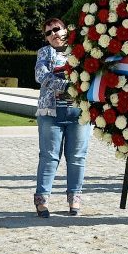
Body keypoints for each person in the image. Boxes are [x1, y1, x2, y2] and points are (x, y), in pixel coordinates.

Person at [33, 17, 90, 217]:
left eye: (56, 29)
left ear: (66, 29)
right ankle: (42, 200)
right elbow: (41, 75)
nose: (53, 34)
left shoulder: (81, 50)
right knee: (49, 156)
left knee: (77, 158)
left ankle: (74, 199)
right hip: (50, 113)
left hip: (78, 113)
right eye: (48, 33)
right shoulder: (44, 52)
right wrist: (67, 86)